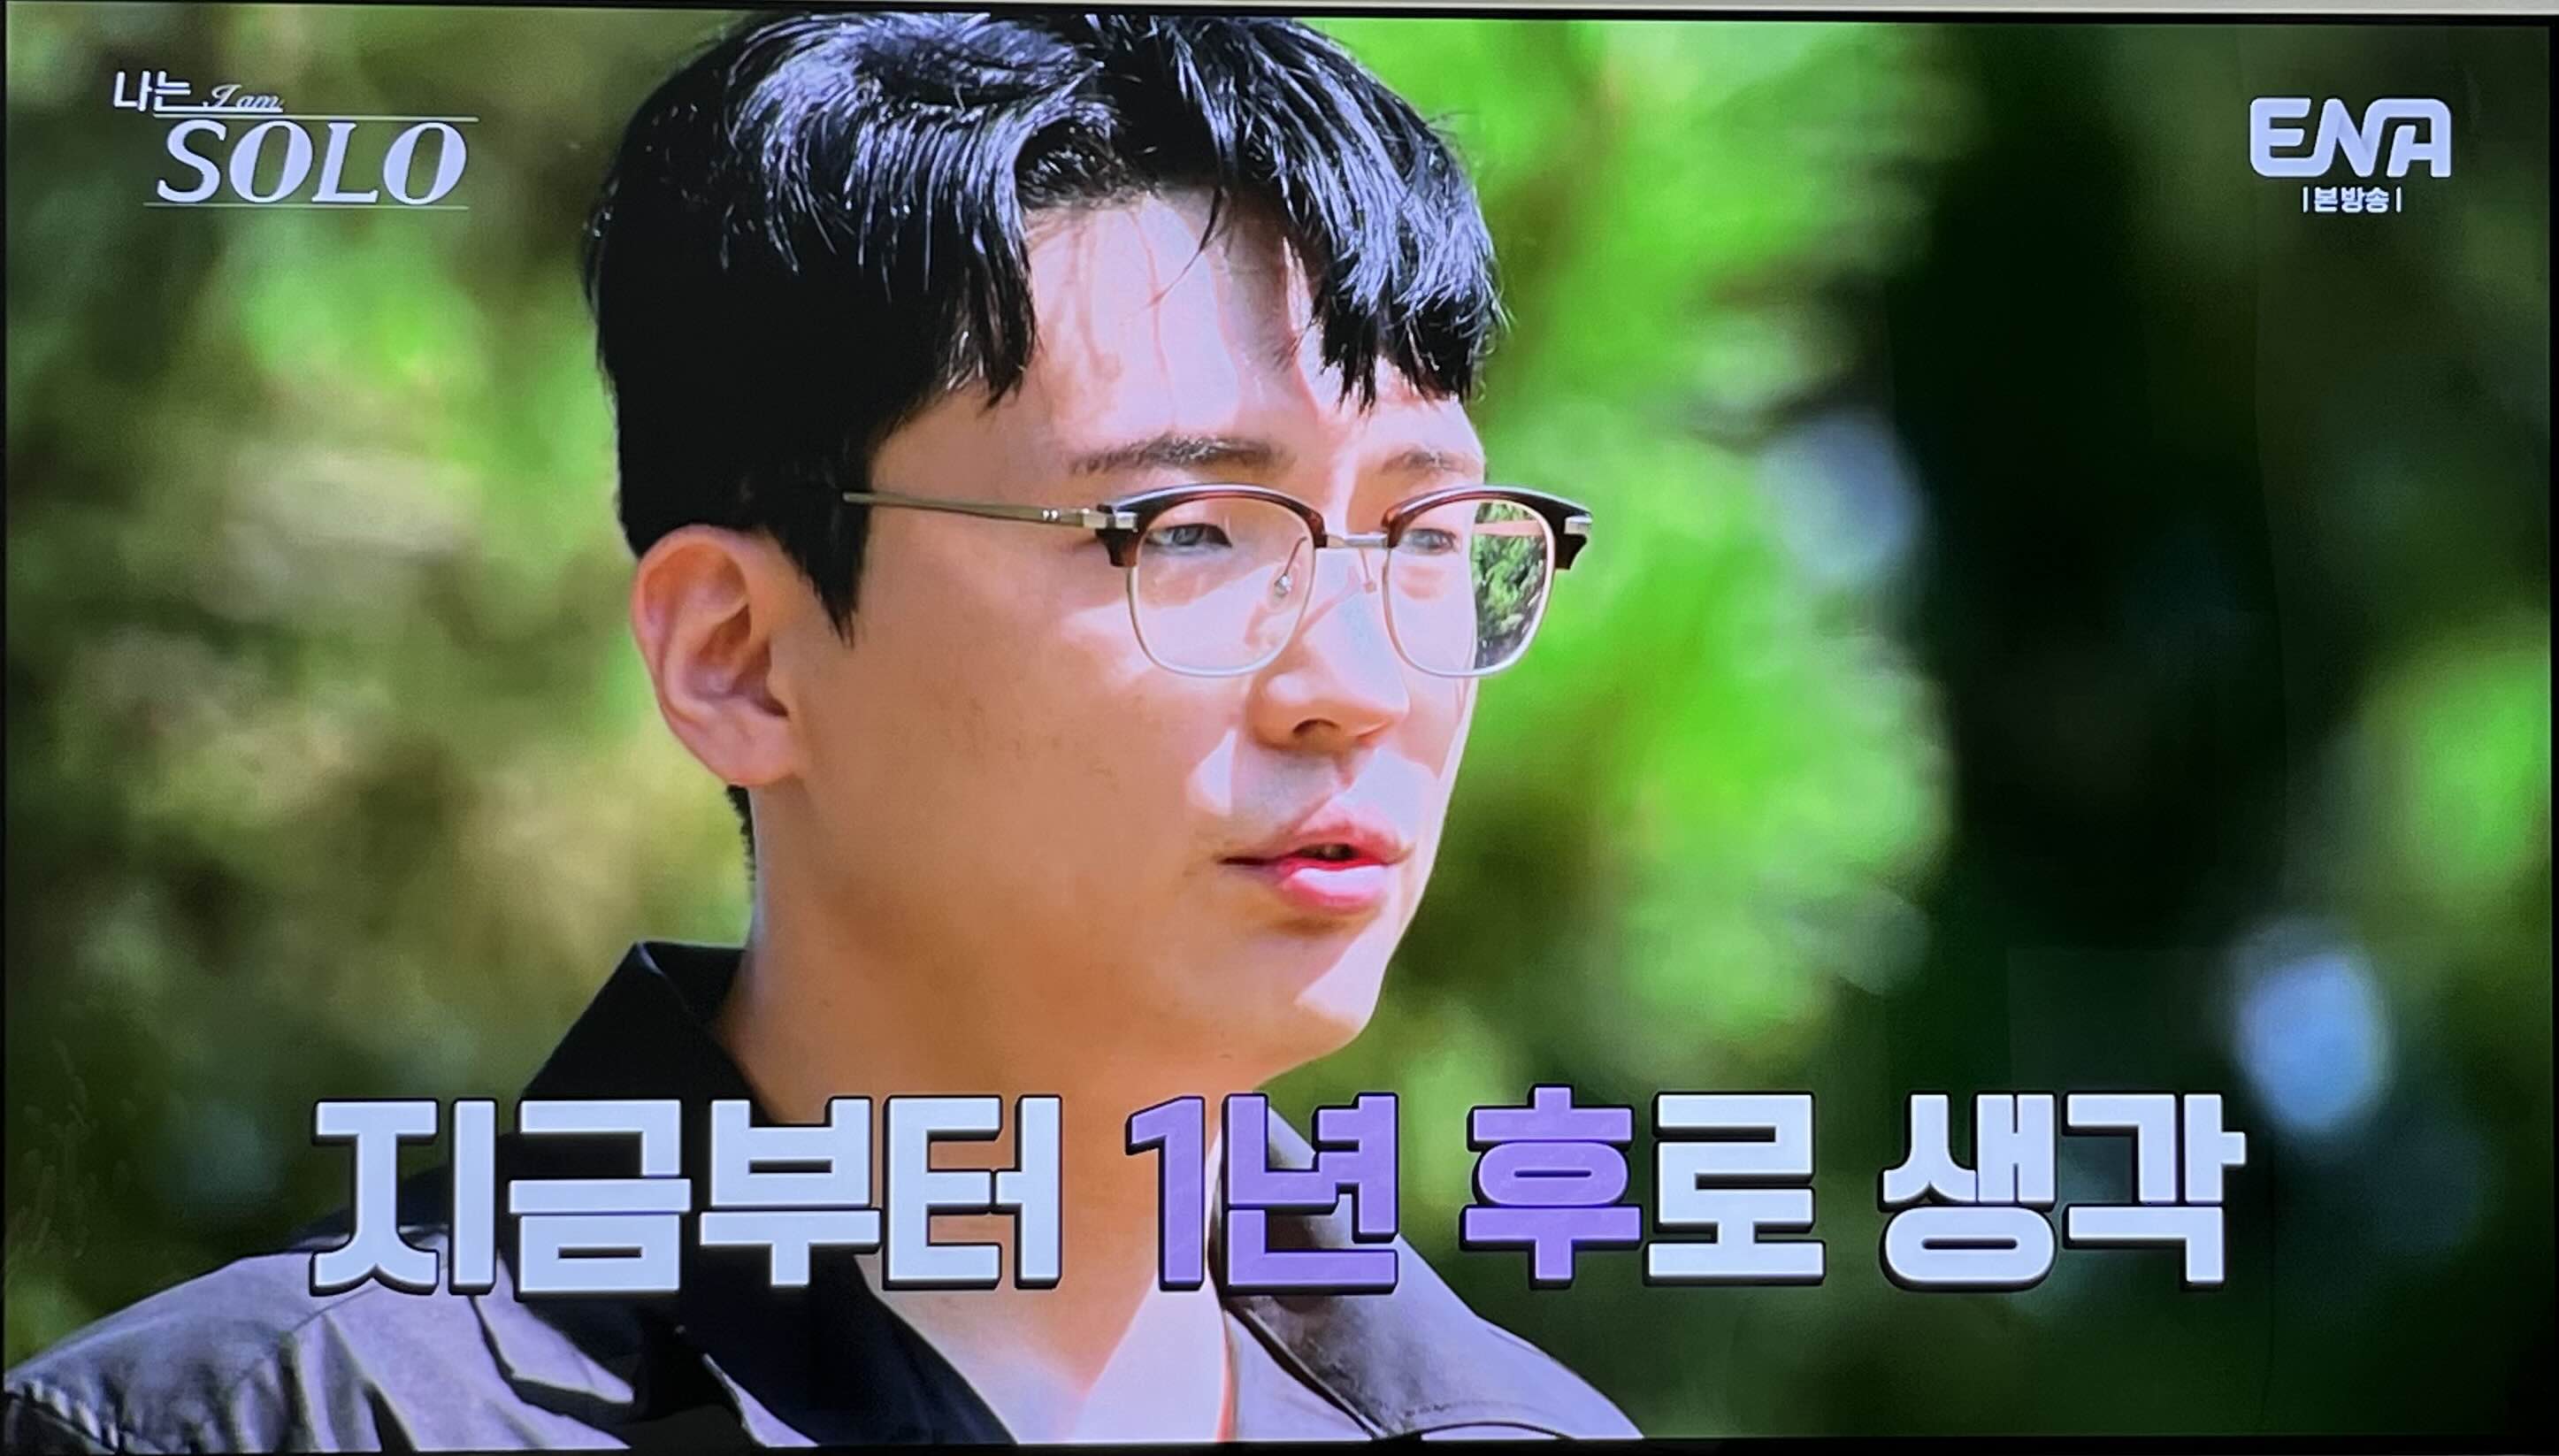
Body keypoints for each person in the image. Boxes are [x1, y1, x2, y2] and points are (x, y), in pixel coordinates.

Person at [3, 10, 1632, 1446]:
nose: (1356, 682)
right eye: (1188, 530)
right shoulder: (284, 1420)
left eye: (1424, 533)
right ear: (740, 659)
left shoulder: (1516, 1422)